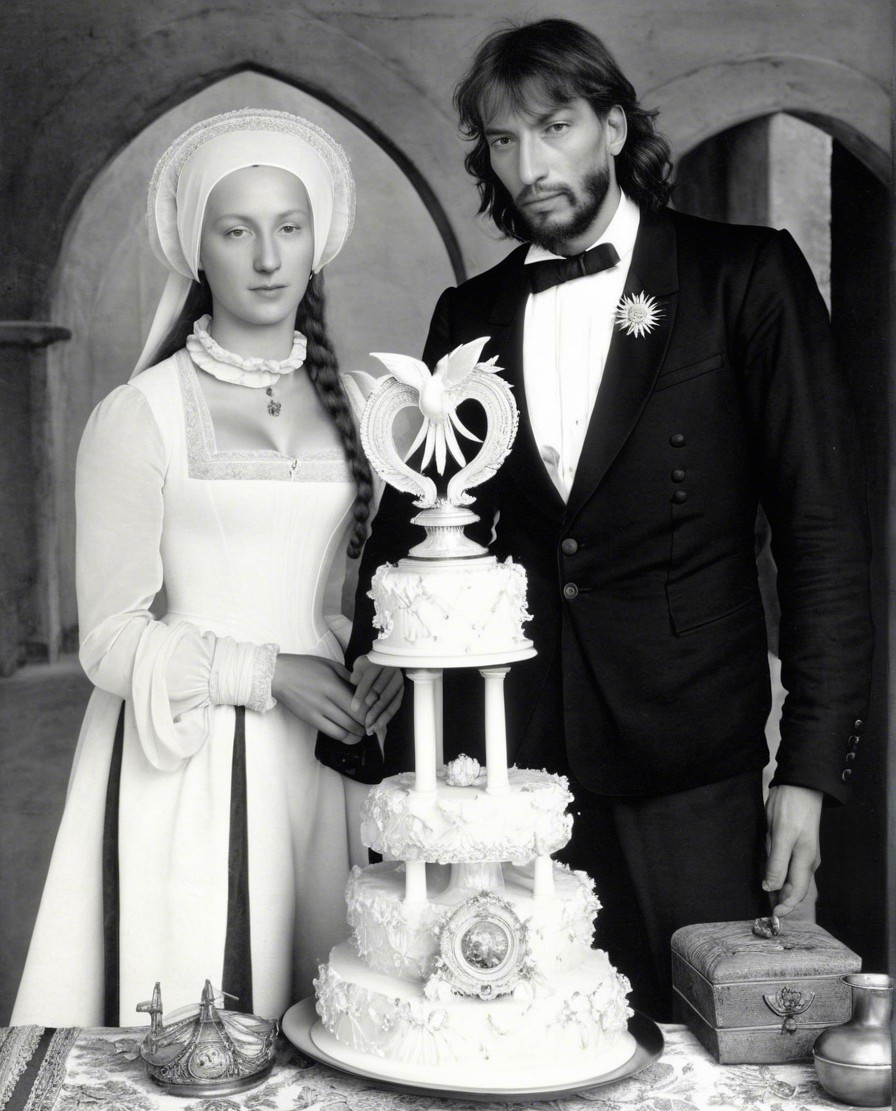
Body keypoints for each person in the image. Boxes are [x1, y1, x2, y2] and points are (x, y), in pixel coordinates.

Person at [347, 20, 873, 1020]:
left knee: (705, 1073)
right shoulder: (469, 313)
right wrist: (366, 711)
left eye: (554, 127)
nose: (529, 165)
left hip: (692, 766)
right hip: (507, 776)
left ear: (614, 125)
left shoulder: (743, 278)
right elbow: (411, 531)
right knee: (519, 1065)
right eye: (504, 141)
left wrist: (805, 769)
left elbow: (822, 539)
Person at [11, 109, 402, 1027]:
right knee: (202, 1040)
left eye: (289, 227)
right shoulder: (138, 415)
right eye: (236, 231)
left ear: (317, 244)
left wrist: (375, 660)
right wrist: (265, 672)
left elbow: (375, 582)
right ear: (198, 250)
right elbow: (109, 640)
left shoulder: (364, 406)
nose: (268, 256)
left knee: (336, 1033)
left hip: (325, 757)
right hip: (185, 759)